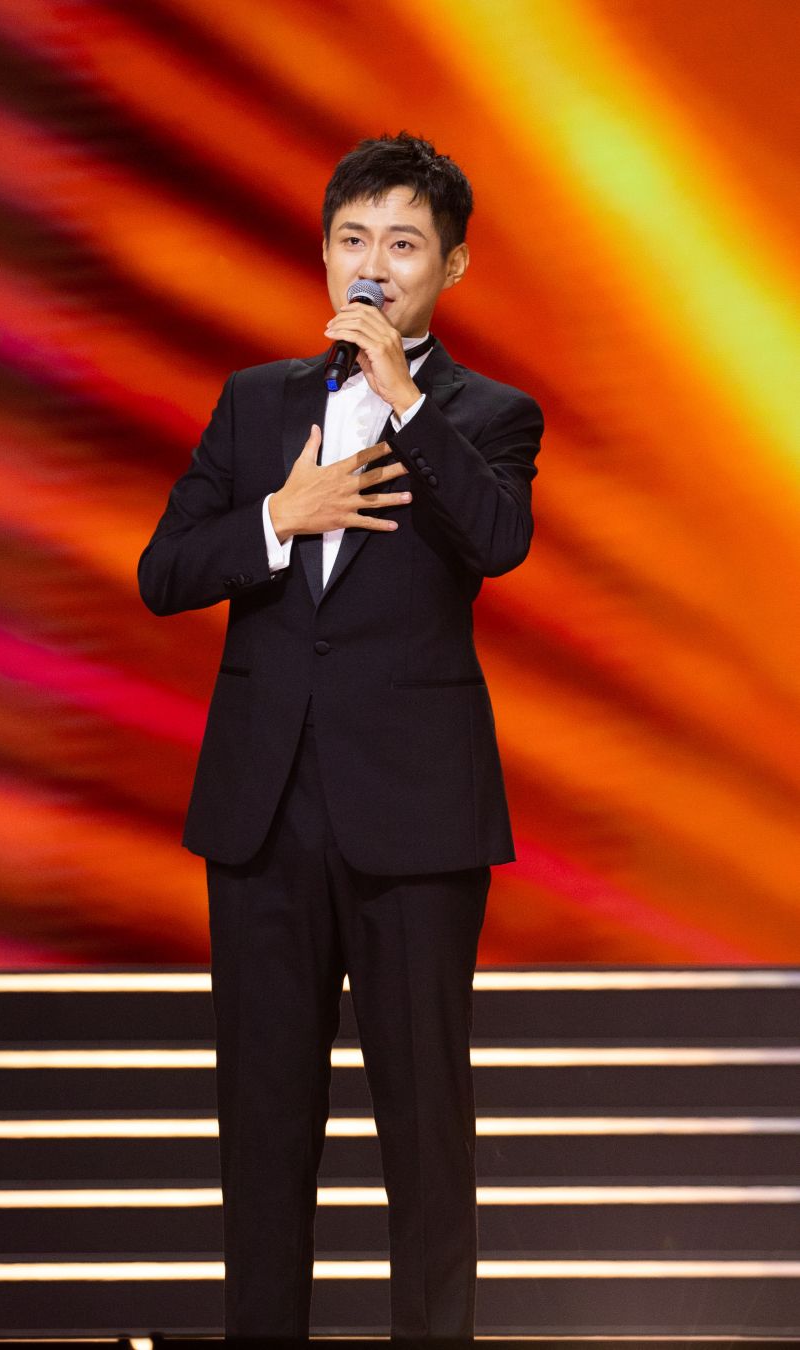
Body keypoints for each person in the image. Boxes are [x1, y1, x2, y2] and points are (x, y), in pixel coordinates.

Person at [138, 132, 543, 1341]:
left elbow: (497, 541)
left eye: (403, 244)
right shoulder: (256, 403)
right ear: (323, 254)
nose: (374, 265)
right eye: (354, 240)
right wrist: (281, 513)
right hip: (264, 813)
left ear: (451, 267)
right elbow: (164, 572)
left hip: (414, 819)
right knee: (264, 1129)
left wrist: (404, 401)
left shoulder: (489, 415)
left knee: (425, 1128)